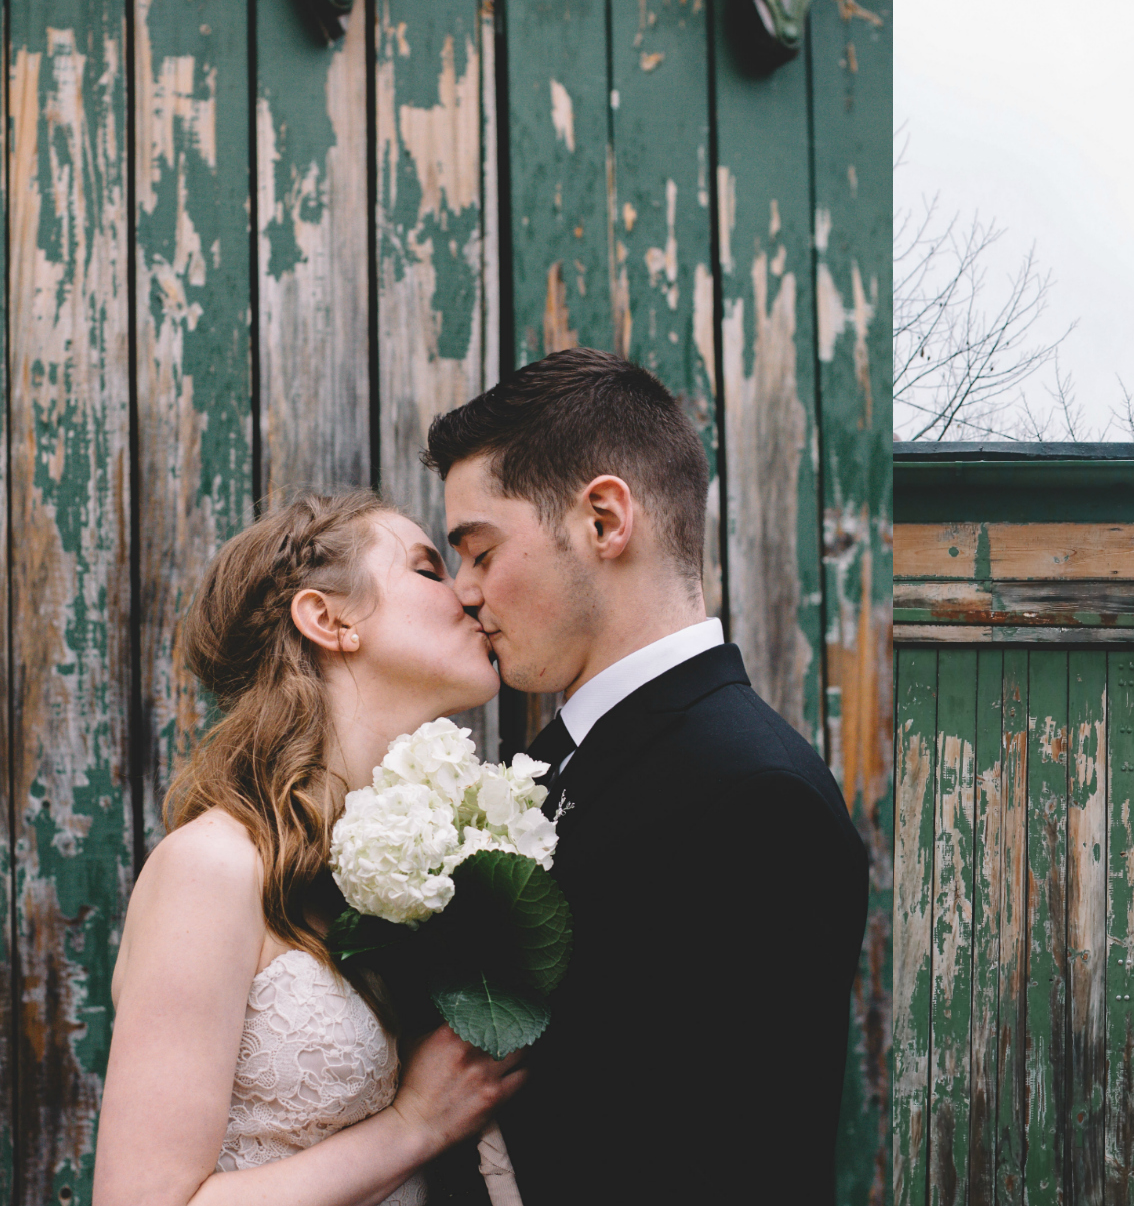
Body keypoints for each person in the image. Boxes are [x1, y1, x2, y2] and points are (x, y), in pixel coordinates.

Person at [422, 347, 870, 1204]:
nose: (463, 591)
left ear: (603, 520)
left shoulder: (755, 796)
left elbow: (742, 1163)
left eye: (479, 551)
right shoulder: (544, 766)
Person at [94, 492, 525, 1206]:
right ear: (328, 618)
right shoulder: (213, 866)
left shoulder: (402, 876)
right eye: (427, 569)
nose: (468, 593)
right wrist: (414, 1124)